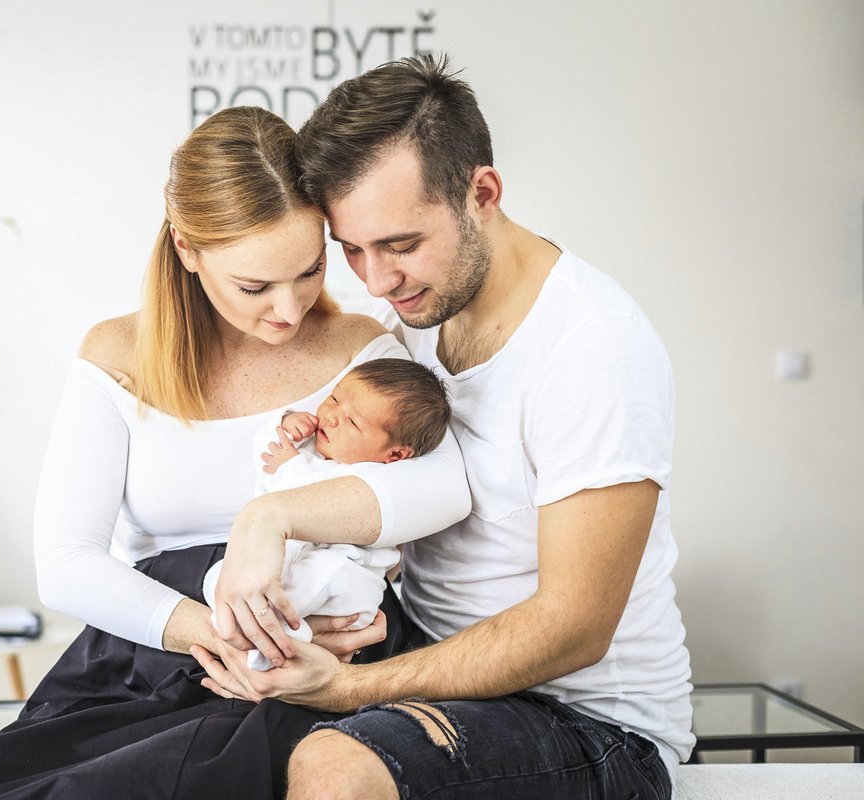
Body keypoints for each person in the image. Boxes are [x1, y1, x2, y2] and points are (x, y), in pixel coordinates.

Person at [0, 105, 470, 799]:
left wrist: (269, 523)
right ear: (187, 250)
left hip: (307, 658)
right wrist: (222, 631)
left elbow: (444, 488)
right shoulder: (117, 356)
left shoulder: (364, 354)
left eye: (307, 270)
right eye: (254, 287)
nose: (289, 311)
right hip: (157, 647)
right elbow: (65, 564)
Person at [194, 54, 694, 800]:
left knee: (334, 771)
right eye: (351, 250)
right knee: (191, 736)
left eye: (398, 244)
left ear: (482, 193)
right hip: (431, 663)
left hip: (592, 722)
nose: (376, 280)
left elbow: (573, 628)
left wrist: (343, 689)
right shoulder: (419, 318)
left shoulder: (594, 349)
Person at [202, 358, 451, 670]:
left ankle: (273, 642)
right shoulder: (310, 444)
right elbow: (266, 456)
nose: (331, 417)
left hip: (345, 582)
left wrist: (290, 465)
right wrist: (287, 423)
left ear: (396, 454)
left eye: (353, 422)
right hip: (285, 560)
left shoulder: (371, 475)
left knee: (321, 578)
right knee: (216, 578)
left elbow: (306, 493)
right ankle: (267, 630)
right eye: (334, 398)